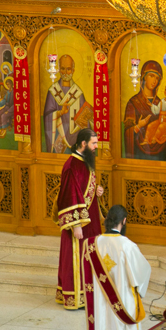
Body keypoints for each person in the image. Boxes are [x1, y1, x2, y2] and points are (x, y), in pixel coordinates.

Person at [82, 204, 150, 330]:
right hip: (123, 305)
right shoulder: (127, 246)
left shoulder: (92, 244)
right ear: (124, 221)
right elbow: (141, 273)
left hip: (101, 307)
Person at [52, 129, 104, 310]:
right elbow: (68, 196)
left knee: (89, 256)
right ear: (83, 144)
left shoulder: (84, 161)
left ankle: (89, 293)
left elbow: (83, 189)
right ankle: (75, 296)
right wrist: (76, 226)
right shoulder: (71, 165)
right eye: (94, 143)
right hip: (79, 224)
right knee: (77, 258)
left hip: (90, 221)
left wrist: (96, 190)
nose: (96, 147)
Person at [123, 60, 166, 161]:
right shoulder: (133, 103)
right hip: (140, 156)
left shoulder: (160, 102)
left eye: (157, 78)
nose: (154, 81)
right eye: (151, 76)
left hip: (160, 154)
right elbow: (127, 132)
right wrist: (139, 126)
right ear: (144, 77)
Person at [43, 55, 90, 154]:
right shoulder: (53, 91)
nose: (65, 72)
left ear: (73, 70)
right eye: (63, 69)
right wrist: (60, 112)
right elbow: (47, 116)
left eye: (68, 69)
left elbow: (85, 118)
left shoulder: (78, 93)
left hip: (76, 137)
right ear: (59, 69)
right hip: (58, 137)